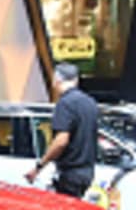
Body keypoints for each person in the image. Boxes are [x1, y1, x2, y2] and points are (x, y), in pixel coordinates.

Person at [27, 62, 99, 198]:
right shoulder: (90, 102)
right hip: (87, 171)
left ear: (56, 80)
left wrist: (40, 166)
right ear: (76, 80)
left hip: (69, 173)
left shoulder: (65, 104)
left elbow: (61, 141)